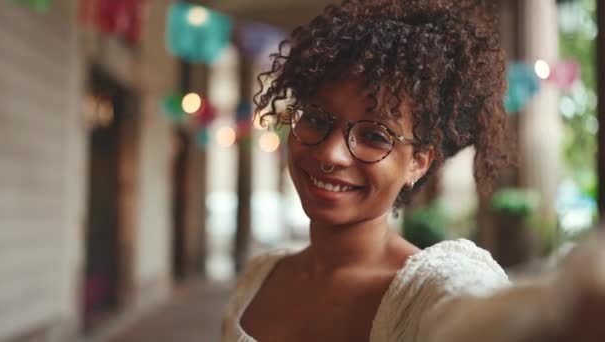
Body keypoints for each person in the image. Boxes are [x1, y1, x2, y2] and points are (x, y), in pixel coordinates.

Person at [221, 0, 604, 341]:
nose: (331, 153)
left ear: (419, 162)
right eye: (317, 118)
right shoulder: (259, 277)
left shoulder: (427, 289)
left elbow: (476, 314)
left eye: (374, 135)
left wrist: (567, 308)